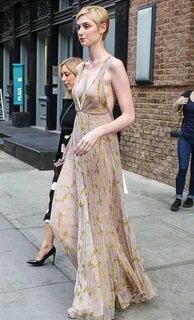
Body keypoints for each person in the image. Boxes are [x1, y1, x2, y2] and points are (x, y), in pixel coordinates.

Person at [50, 5, 155, 320]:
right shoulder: (81, 68)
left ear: (103, 28)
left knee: (97, 223)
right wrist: (68, 149)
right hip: (77, 151)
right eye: (78, 26)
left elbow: (129, 115)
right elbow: (78, 111)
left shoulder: (114, 66)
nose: (81, 31)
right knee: (62, 219)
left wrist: (97, 133)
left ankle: (93, 294)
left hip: (100, 148)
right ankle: (100, 279)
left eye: (86, 26)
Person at [26, 57, 82, 266]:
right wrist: (57, 159)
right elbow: (64, 133)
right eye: (62, 76)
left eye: (68, 74)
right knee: (54, 197)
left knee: (71, 205)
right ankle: (47, 245)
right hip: (63, 160)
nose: (64, 80)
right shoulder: (69, 100)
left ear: (79, 73)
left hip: (77, 160)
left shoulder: (85, 101)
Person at [171, 90, 194, 211]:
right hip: (184, 137)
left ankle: (190, 197)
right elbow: (174, 111)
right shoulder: (187, 95)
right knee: (183, 167)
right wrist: (177, 103)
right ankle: (178, 198)